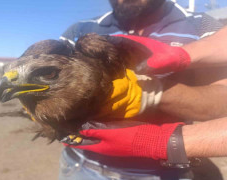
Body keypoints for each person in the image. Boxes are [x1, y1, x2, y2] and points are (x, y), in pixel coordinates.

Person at [58, 0, 227, 179]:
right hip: (82, 164)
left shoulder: (202, 25)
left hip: (162, 170)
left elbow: (222, 100)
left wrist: (153, 93)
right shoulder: (79, 31)